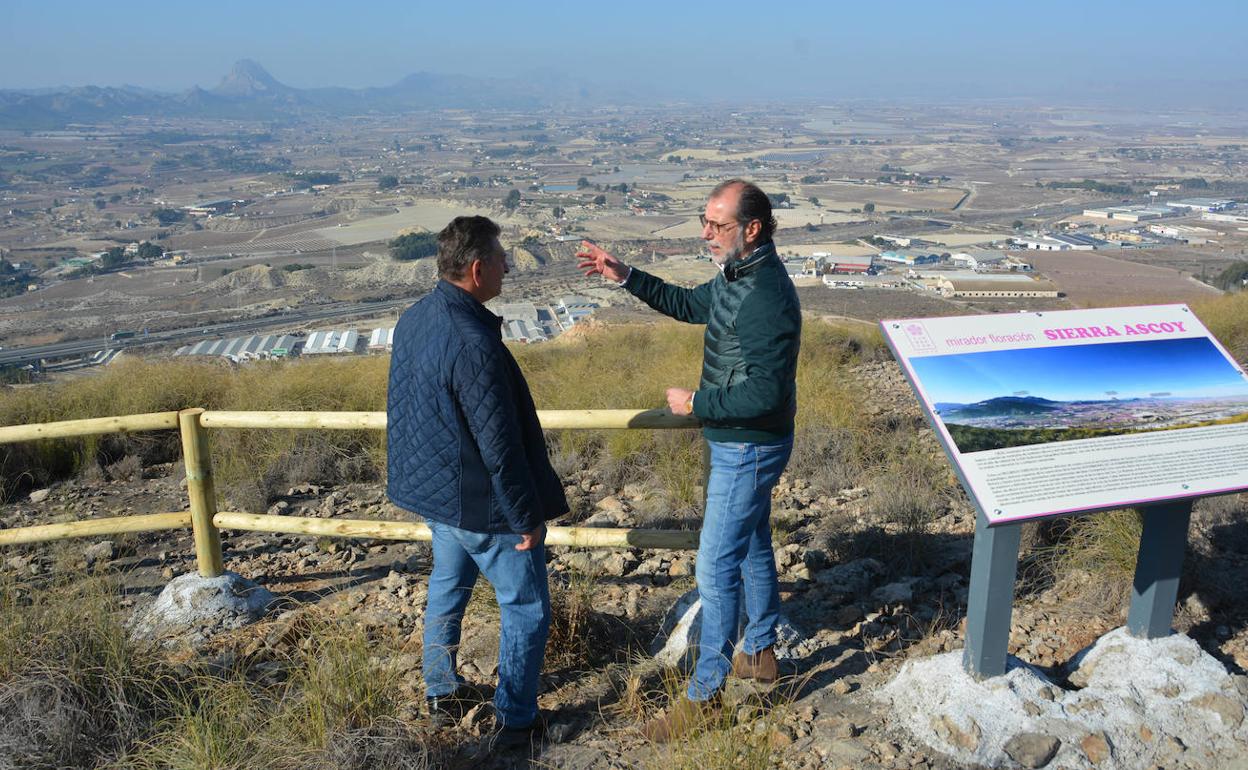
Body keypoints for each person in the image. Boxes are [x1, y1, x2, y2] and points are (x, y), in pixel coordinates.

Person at [577, 179, 801, 742]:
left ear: (751, 229)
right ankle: (761, 651)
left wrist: (698, 402)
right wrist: (624, 274)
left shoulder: (765, 296)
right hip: (736, 442)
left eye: (717, 225)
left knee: (715, 568)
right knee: (751, 544)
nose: (705, 234)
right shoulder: (736, 276)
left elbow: (767, 394)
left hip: (748, 444)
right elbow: (687, 304)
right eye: (703, 221)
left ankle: (705, 695)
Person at [387, 215, 568, 747]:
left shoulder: (415, 318)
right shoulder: (474, 342)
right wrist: (526, 516)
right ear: (476, 267)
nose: (508, 265)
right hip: (481, 504)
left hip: (439, 495)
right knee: (526, 607)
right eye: (501, 257)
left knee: (447, 589)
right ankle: (516, 720)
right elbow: (500, 446)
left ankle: (441, 690)